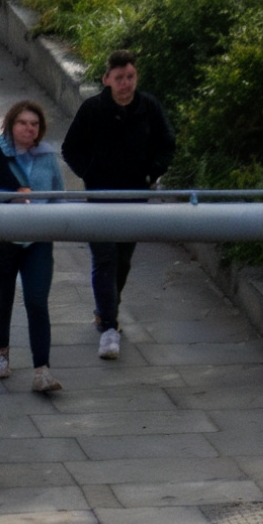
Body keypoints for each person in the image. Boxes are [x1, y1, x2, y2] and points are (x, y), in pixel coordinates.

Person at [60, 49, 174, 362]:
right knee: (105, 258)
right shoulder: (93, 109)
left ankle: (107, 309)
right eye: (119, 78)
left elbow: (167, 143)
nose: (125, 84)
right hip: (100, 198)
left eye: (130, 77)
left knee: (122, 259)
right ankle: (109, 327)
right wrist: (90, 174)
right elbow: (70, 148)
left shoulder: (148, 107)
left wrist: (153, 172)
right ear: (107, 79)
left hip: (135, 196)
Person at [0, 99, 65, 395]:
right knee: (3, 294)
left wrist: (56, 222)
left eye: (34, 124)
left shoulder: (47, 156)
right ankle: (1, 353)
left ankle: (42, 371)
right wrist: (10, 198)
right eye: (23, 123)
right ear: (10, 124)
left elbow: (58, 195)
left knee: (37, 300)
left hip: (38, 240)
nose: (29, 128)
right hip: (3, 239)